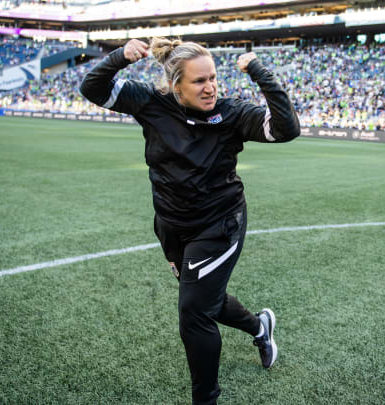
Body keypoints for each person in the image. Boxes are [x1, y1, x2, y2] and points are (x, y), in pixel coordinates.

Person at [80, 37, 300, 405]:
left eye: (213, 77)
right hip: (170, 225)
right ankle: (258, 325)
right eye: (199, 81)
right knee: (204, 298)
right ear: (175, 84)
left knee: (194, 312)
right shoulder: (151, 102)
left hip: (219, 224)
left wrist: (260, 73)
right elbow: (92, 87)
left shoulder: (230, 113)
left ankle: (206, 399)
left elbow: (286, 129)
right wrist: (119, 57)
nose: (210, 87)